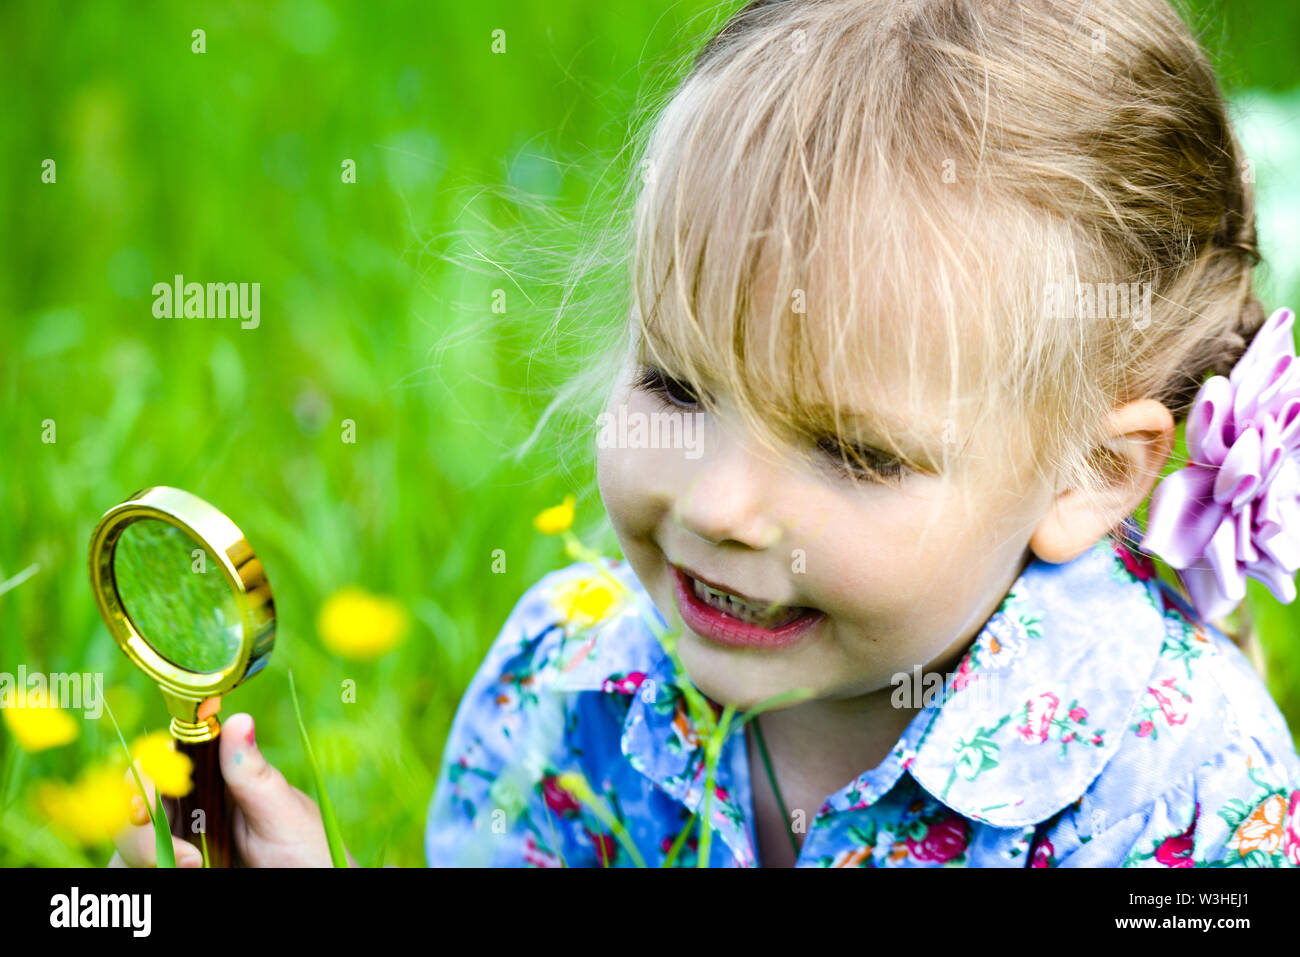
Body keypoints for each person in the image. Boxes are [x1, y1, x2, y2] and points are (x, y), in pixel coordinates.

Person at [113, 0, 1300, 867]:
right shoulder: (567, 686)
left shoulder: (1178, 787)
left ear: (1088, 473)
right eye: (678, 389)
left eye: (855, 453)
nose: (722, 505)